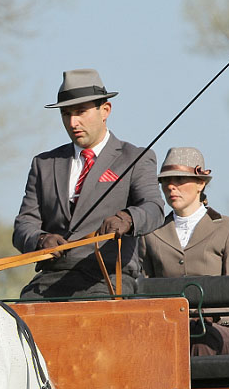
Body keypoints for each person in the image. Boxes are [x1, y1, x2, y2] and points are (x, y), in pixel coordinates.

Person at [13, 69, 164, 298]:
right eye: (66, 114)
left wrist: (126, 219)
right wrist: (41, 239)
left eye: (81, 112)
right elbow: (24, 224)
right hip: (50, 279)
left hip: (108, 277)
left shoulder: (135, 158)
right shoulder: (44, 164)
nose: (73, 122)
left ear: (105, 110)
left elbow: (153, 208)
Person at [140, 147, 229, 355]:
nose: (172, 187)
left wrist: (202, 319)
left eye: (180, 180)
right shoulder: (151, 234)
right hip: (168, 328)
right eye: (166, 181)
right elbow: (146, 293)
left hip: (222, 332)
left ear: (201, 183)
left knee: (201, 337)